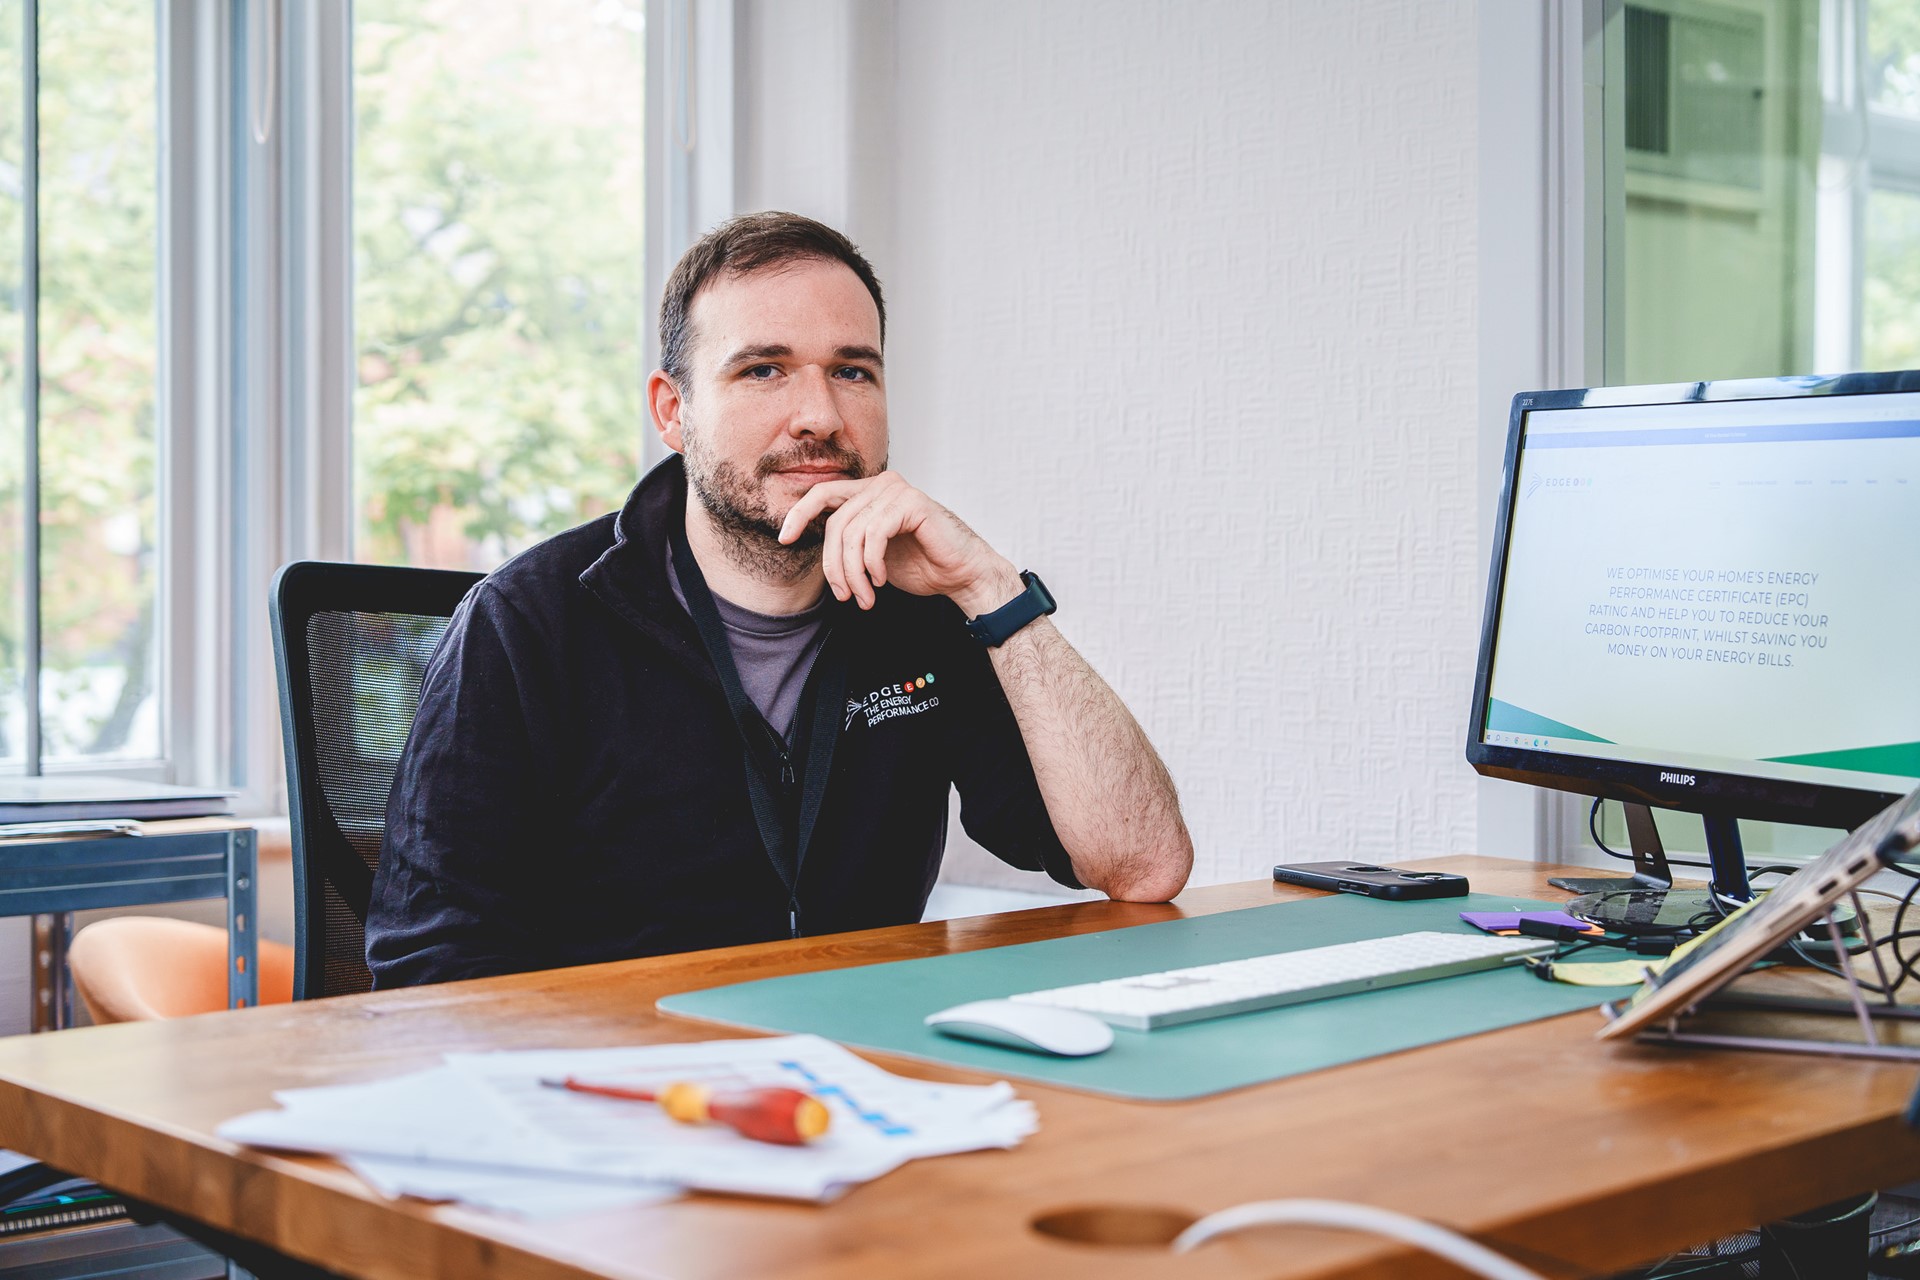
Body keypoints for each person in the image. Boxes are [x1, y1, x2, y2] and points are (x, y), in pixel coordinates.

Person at [366, 211, 1193, 987]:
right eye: (764, 370)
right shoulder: (527, 624)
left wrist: (990, 587)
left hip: (857, 1058)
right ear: (673, 412)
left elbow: (1144, 864)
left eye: (852, 371)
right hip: (622, 1072)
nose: (820, 416)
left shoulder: (925, 612)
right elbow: (426, 969)